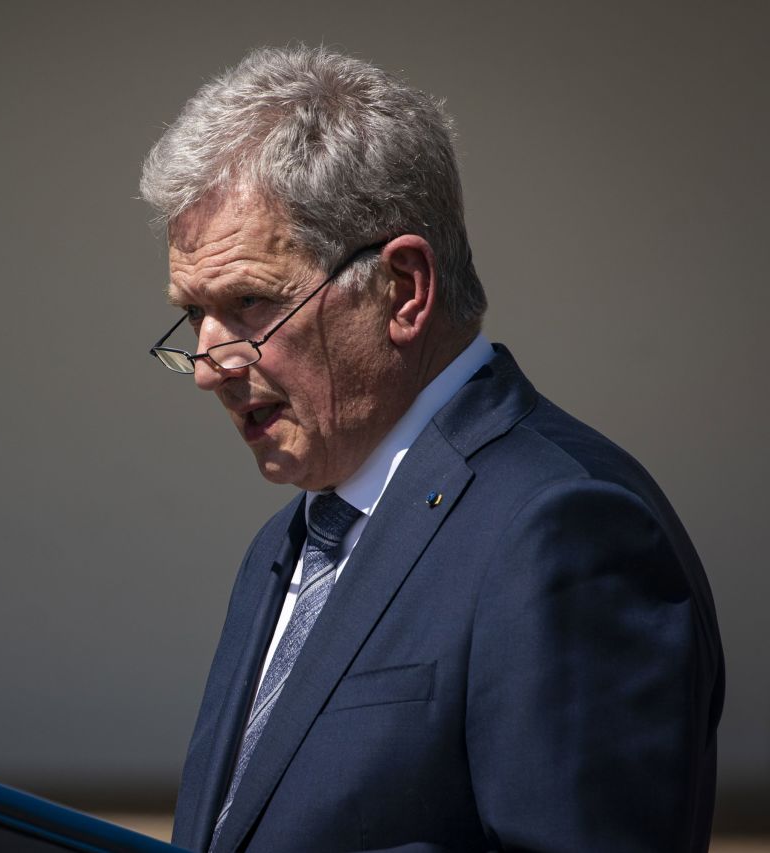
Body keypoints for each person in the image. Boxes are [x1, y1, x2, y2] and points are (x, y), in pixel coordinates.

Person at [140, 46, 724, 853]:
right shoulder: (285, 545)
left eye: (250, 304)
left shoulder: (563, 530)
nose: (211, 367)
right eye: (193, 315)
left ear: (403, 289)